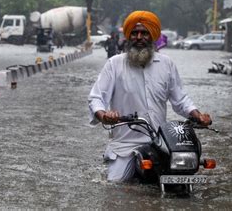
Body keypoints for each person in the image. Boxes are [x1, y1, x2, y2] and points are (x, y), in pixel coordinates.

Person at [88, 10, 212, 182]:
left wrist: (198, 115)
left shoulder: (166, 64)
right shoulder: (114, 64)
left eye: (144, 33)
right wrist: (104, 115)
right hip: (126, 145)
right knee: (115, 185)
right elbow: (96, 98)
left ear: (152, 36)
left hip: (162, 143)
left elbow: (180, 99)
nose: (139, 37)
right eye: (135, 33)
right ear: (128, 36)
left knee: (186, 175)